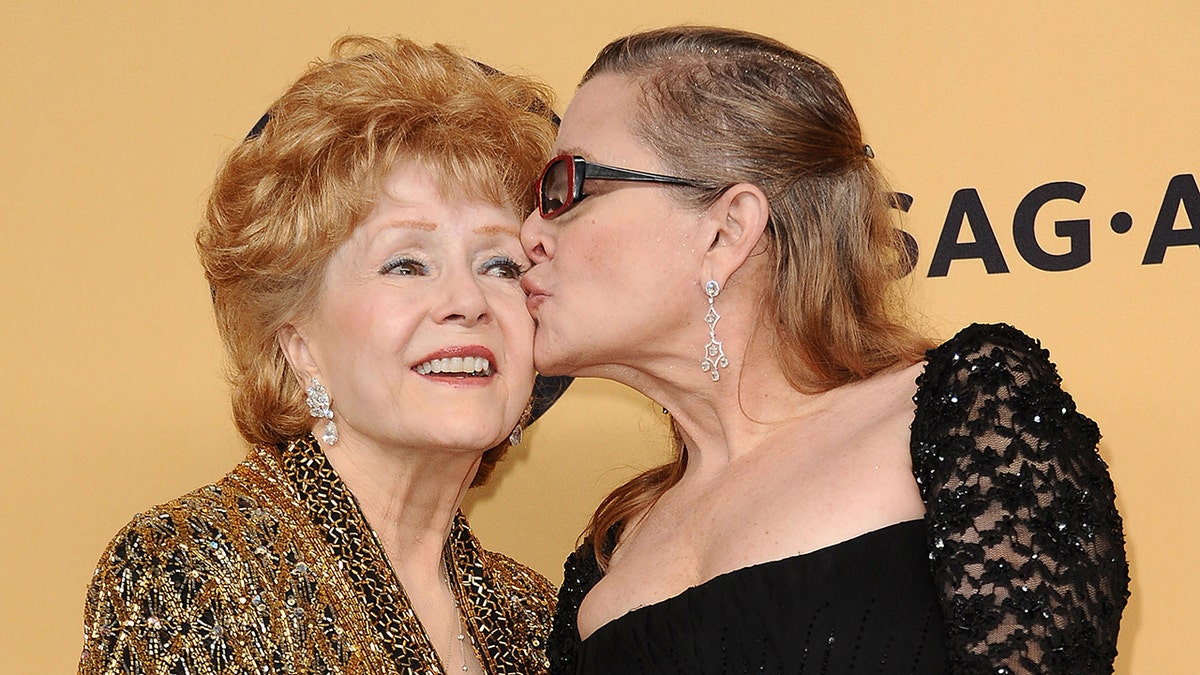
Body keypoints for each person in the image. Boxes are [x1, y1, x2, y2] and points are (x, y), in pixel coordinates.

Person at [520, 26, 1129, 674]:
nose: (529, 231)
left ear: (727, 230)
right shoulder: (609, 554)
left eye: (565, 186)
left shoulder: (964, 419)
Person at [79, 35, 566, 675]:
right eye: (406, 264)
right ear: (300, 345)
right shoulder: (189, 570)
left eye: (500, 264)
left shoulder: (535, 614)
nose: (467, 301)